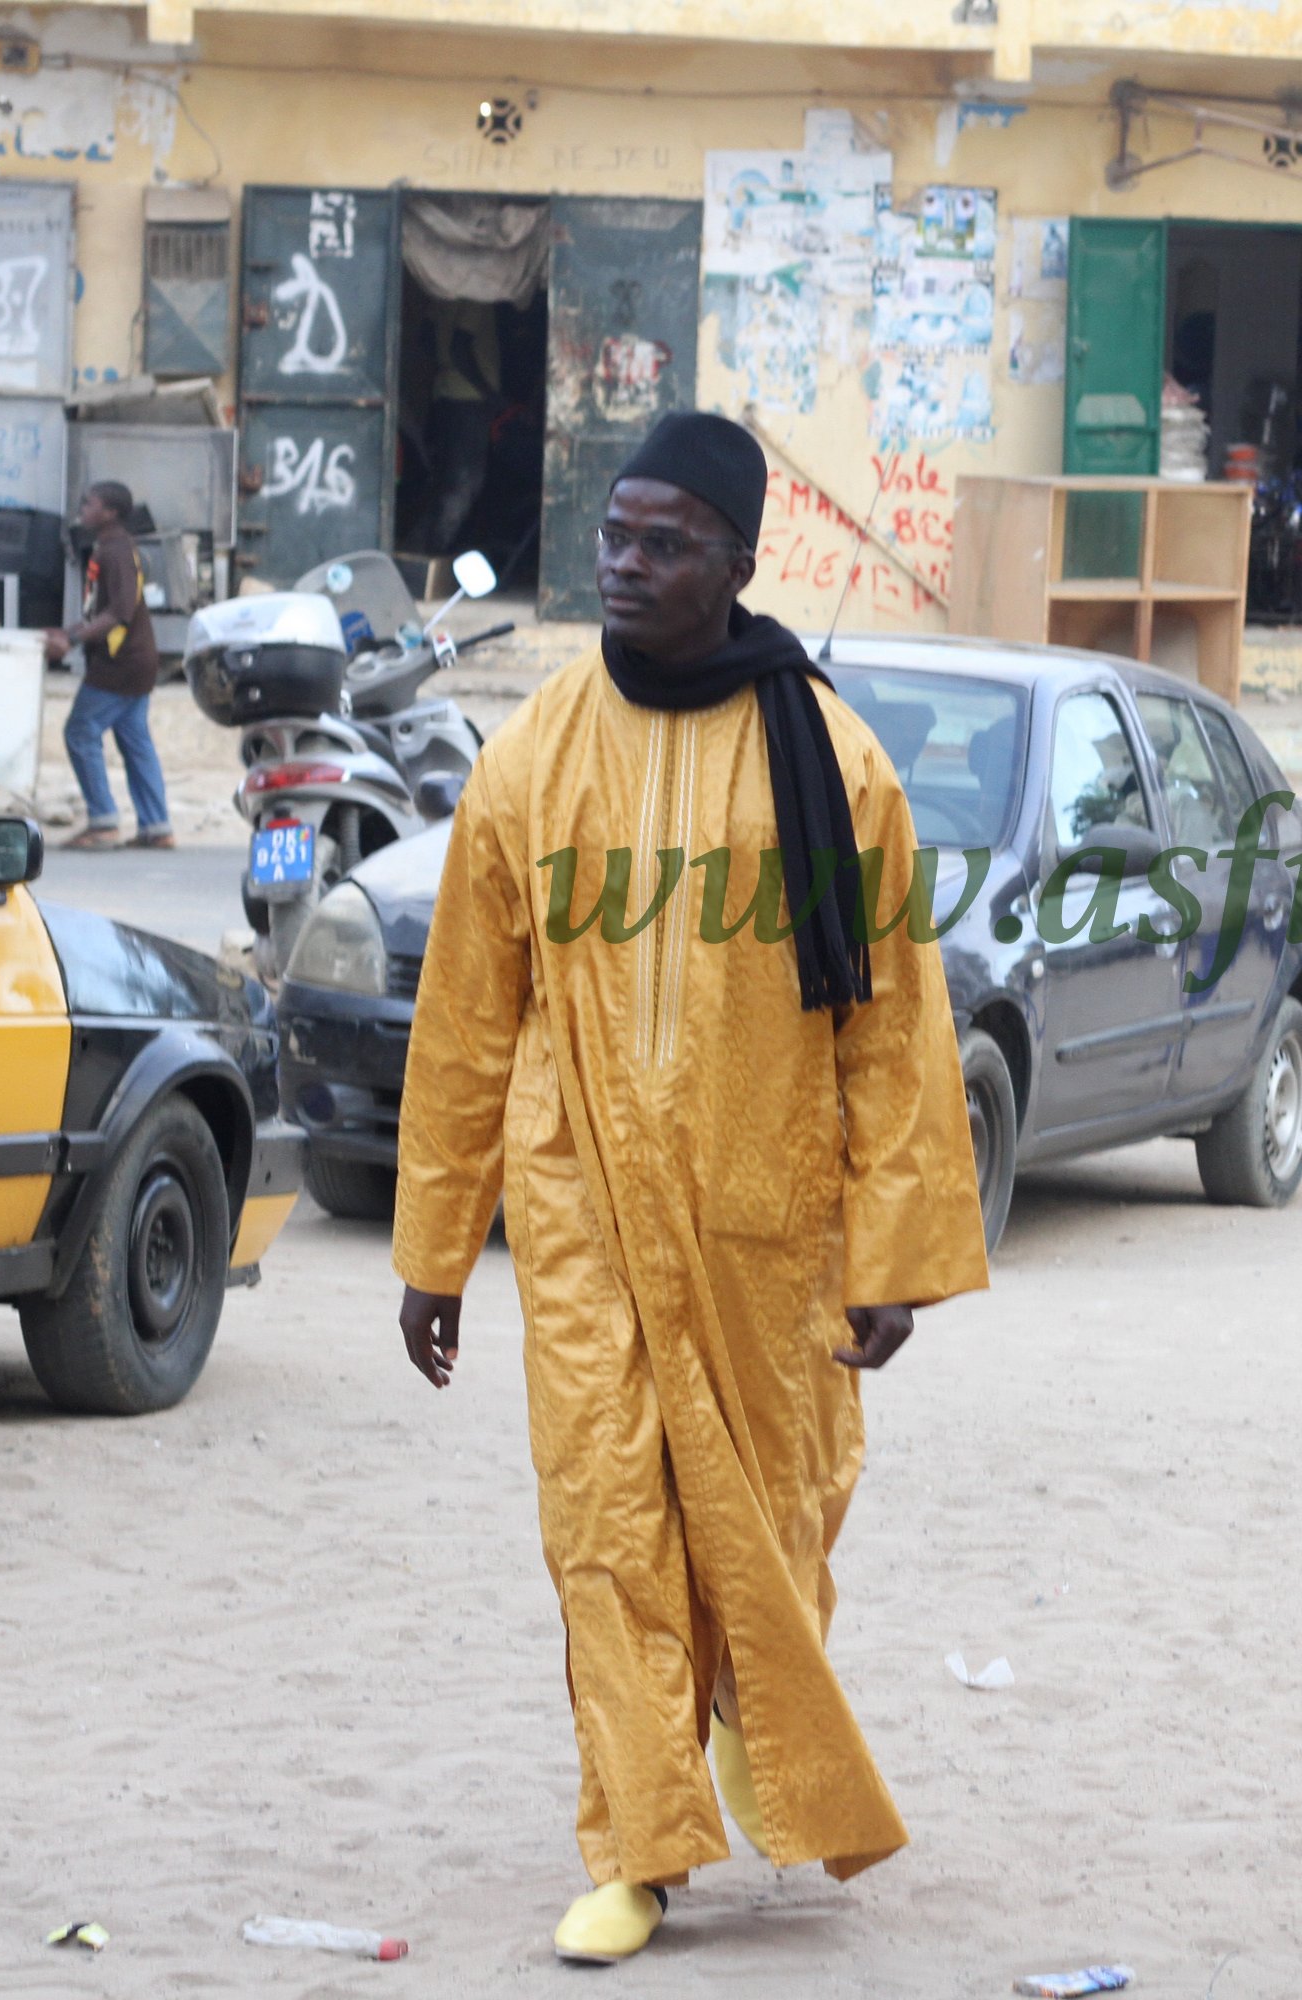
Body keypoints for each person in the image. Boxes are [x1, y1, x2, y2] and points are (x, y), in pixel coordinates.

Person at [389, 410, 990, 1963]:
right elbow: (467, 1015)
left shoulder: (832, 763)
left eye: (665, 544)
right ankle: (636, 1851)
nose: (627, 566)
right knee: (602, 1524)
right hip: (584, 1205)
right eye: (613, 537)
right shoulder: (534, 754)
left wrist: (893, 1253)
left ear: (736, 563)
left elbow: (894, 1032)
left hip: (763, 1220)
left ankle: (746, 1712)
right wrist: (436, 1247)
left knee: (776, 1519)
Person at [44, 481, 172, 850]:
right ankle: (157, 826)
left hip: (121, 664)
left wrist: (73, 640)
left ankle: (103, 822)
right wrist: (68, 631)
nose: (82, 509)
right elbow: (105, 610)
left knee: (80, 731)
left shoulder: (115, 551)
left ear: (110, 512)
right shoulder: (112, 546)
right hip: (135, 660)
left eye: (90, 503)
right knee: (135, 740)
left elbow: (119, 612)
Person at [424, 295, 502, 552]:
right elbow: (460, 346)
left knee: (445, 480)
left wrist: (439, 369)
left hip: (443, 393)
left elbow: (425, 333)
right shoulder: (477, 295)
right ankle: (435, 551)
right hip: (469, 399)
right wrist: (488, 393)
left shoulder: (443, 294)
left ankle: (430, 552)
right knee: (465, 482)